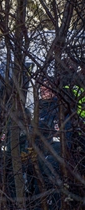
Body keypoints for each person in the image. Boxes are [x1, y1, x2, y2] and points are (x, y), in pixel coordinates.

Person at [26, 79, 73, 209]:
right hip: (37, 163)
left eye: (48, 88)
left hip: (51, 164)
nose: (44, 91)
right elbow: (31, 136)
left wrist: (48, 160)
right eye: (42, 89)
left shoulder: (60, 111)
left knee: (52, 195)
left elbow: (62, 142)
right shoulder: (37, 110)